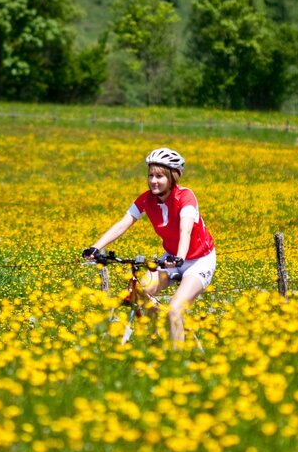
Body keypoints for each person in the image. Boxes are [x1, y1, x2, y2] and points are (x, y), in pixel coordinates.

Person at [83, 147, 215, 345]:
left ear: (172, 178)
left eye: (159, 176)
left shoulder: (185, 197)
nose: (153, 180)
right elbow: (123, 223)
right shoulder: (147, 199)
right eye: (150, 175)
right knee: (139, 292)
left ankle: (177, 359)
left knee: (174, 309)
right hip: (171, 257)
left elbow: (185, 230)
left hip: (198, 261)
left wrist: (179, 257)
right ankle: (160, 337)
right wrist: (95, 247)